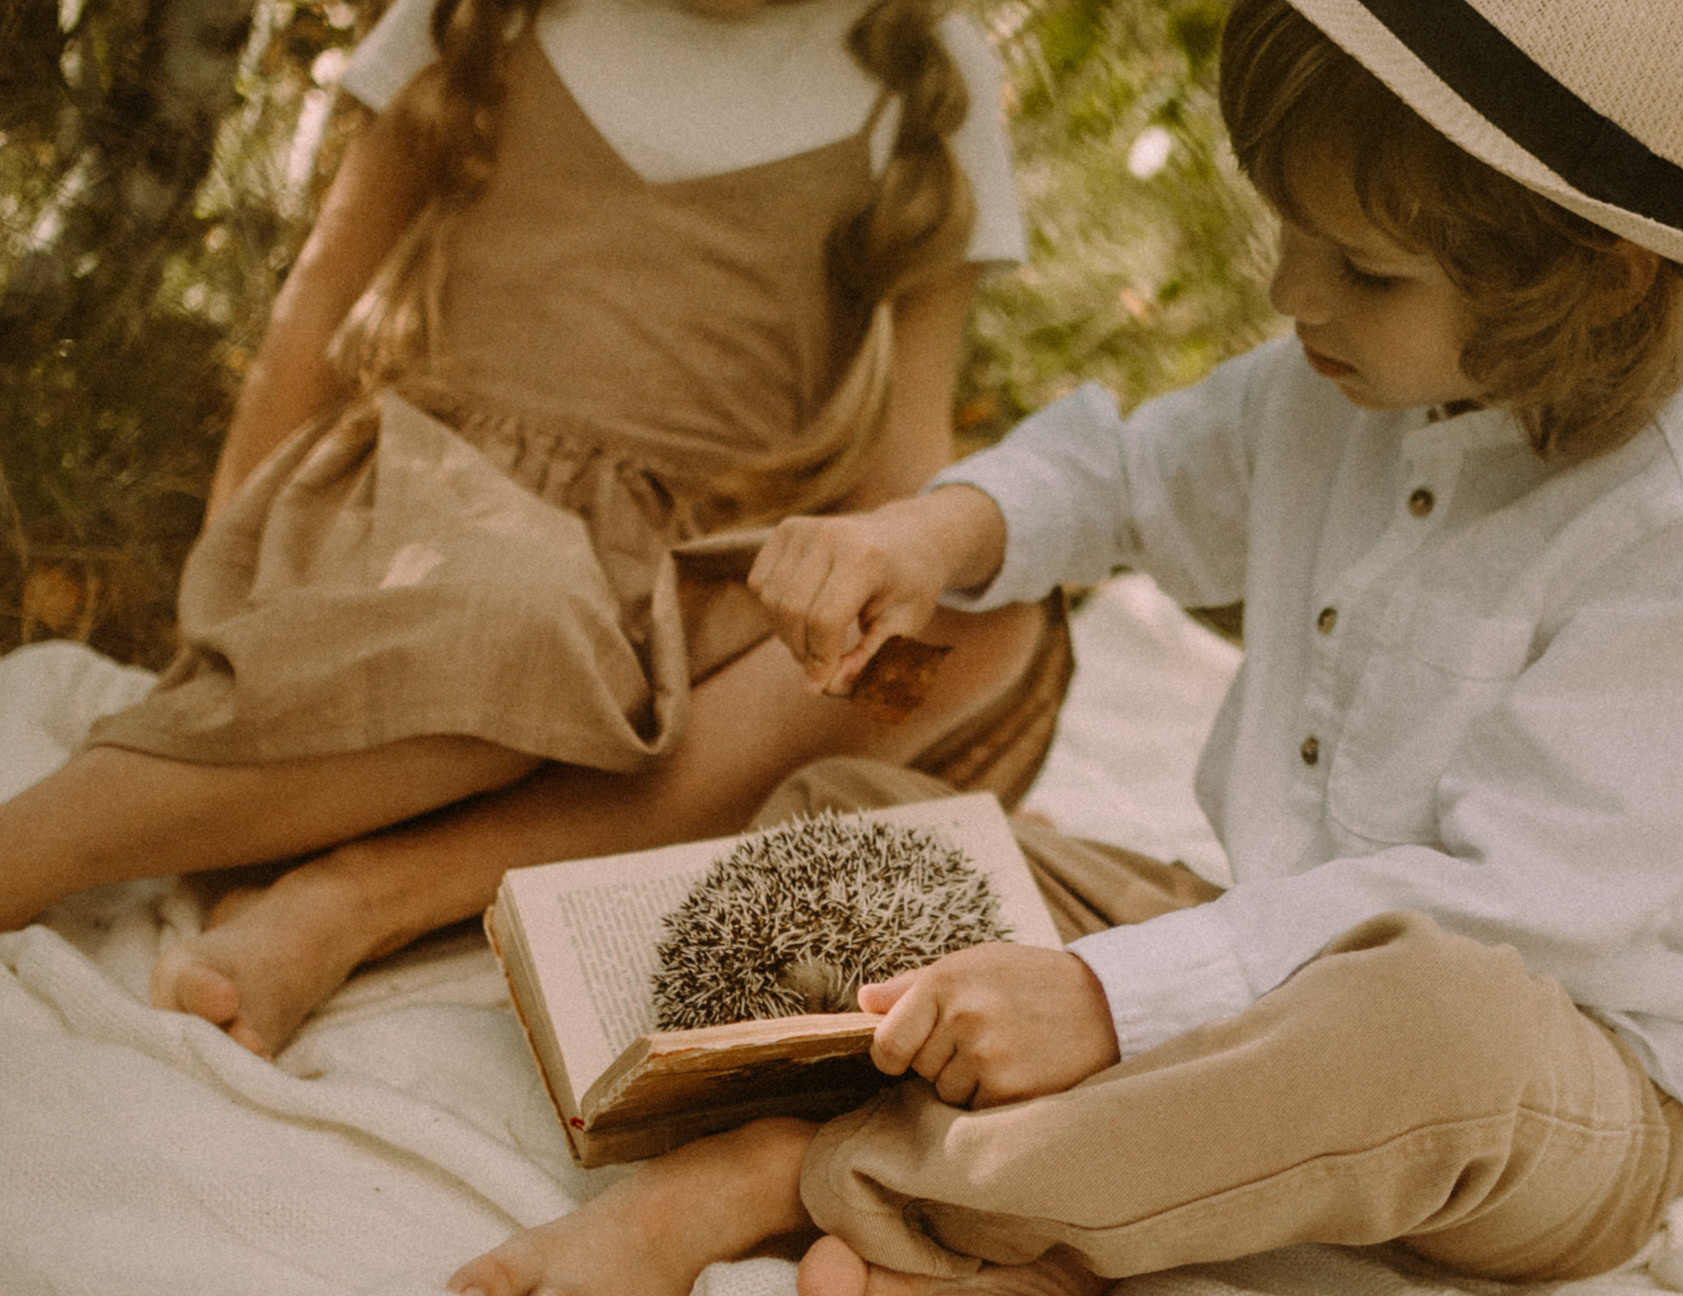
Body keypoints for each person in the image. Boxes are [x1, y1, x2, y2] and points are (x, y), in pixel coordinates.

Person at [449, 0, 1683, 1296]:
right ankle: (1078, 1205)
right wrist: (929, 534)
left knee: (1420, 1028)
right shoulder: (1355, 368)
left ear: (1592, 281)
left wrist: (1114, 997)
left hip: (1579, 1067)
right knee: (853, 819)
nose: (1297, 294)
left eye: (1361, 268)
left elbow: (1526, 906)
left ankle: (801, 1174)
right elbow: (1131, 476)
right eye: (1292, 235)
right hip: (1268, 953)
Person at [0, 0, 1069, 1056]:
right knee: (524, 617)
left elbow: (905, 474)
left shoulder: (924, 72)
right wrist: (223, 596)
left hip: (681, 579)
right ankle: (39, 844)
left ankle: (358, 897)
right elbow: (319, 302)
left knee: (984, 619)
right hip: (430, 511)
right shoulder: (488, 17)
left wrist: (872, 612)